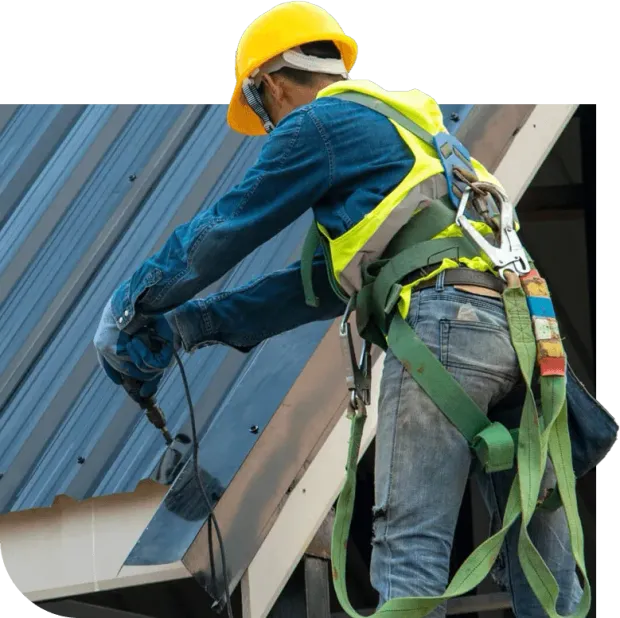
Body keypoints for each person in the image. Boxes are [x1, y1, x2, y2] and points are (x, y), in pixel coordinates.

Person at [95, 3, 612, 617]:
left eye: (261, 109)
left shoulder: (319, 123)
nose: (269, 124)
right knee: (541, 558)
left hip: (444, 330)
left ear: (270, 83)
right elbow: (314, 288)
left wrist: (131, 307)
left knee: (409, 543)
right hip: (521, 335)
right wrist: (191, 325)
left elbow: (226, 228)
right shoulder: (414, 136)